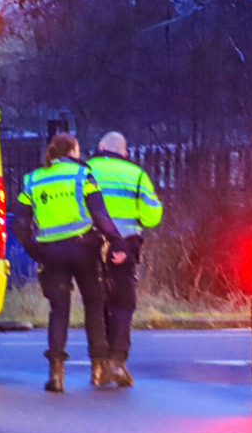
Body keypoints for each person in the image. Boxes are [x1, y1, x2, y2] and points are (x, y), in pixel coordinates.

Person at [12, 133, 128, 393]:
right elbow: (99, 213)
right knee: (94, 305)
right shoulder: (82, 175)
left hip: (51, 253)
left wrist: (35, 249)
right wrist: (117, 241)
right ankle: (98, 369)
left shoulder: (33, 179)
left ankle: (56, 374)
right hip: (84, 249)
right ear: (73, 151)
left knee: (59, 310)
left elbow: (19, 222)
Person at [86, 132, 163, 387]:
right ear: (124, 152)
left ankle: (98, 365)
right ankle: (117, 362)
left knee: (96, 304)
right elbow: (152, 216)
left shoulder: (85, 171)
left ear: (101, 146)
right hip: (124, 247)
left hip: (90, 246)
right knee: (122, 304)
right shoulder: (136, 175)